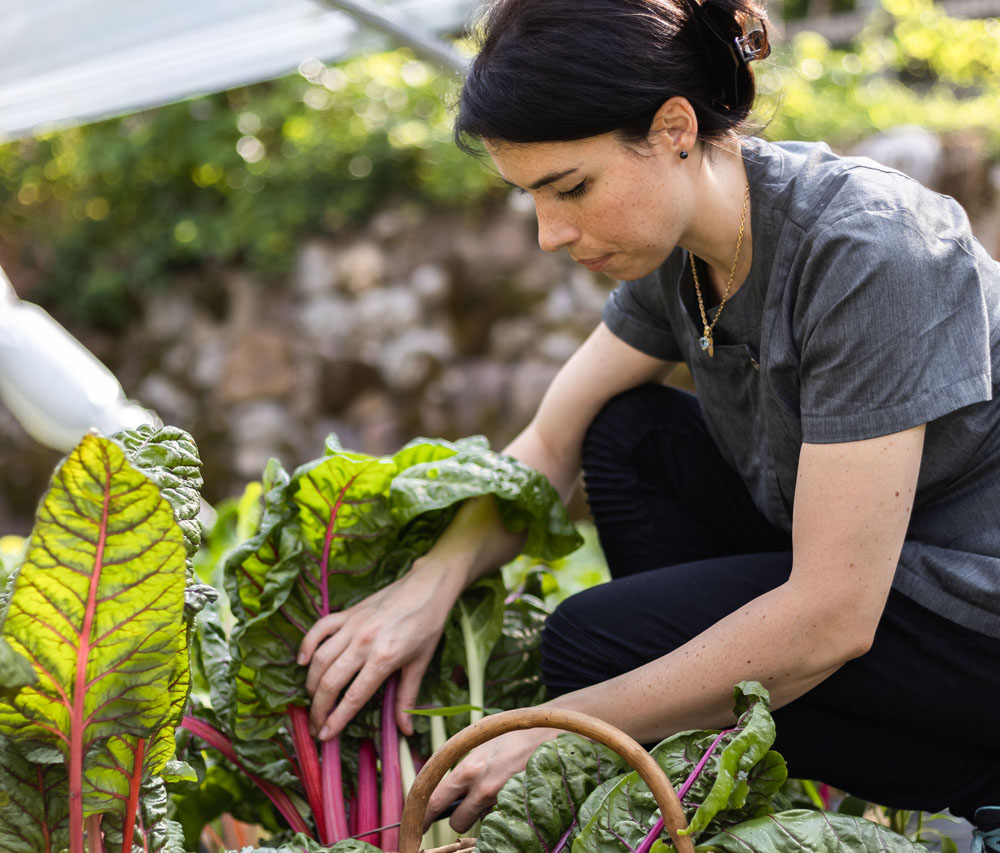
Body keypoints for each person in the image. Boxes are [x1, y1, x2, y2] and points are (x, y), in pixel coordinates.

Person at [297, 0, 1000, 844]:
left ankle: (980, 778)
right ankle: (729, 748)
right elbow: (554, 438)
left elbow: (832, 613)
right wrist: (428, 585)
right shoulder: (682, 254)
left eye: (571, 188)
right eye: (531, 197)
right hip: (884, 583)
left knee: (599, 646)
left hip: (972, 606)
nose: (552, 234)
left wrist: (558, 722)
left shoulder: (869, 250)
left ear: (674, 128)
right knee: (629, 434)